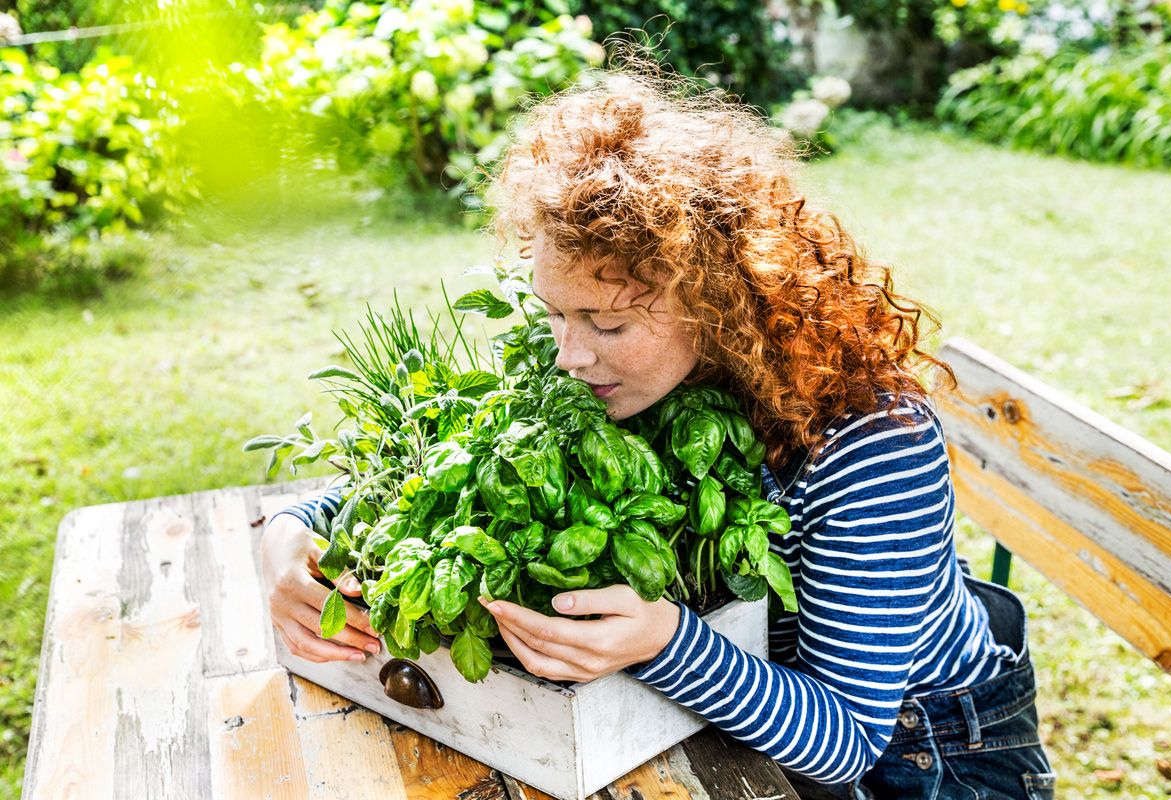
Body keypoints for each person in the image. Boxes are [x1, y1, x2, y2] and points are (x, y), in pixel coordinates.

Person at [260, 67, 1056, 799]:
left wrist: (663, 642)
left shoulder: (867, 441)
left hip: (930, 759)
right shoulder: (597, 369)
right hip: (718, 732)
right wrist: (296, 532)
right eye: (553, 311)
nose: (568, 354)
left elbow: (847, 740)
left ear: (719, 302)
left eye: (606, 322)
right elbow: (447, 464)